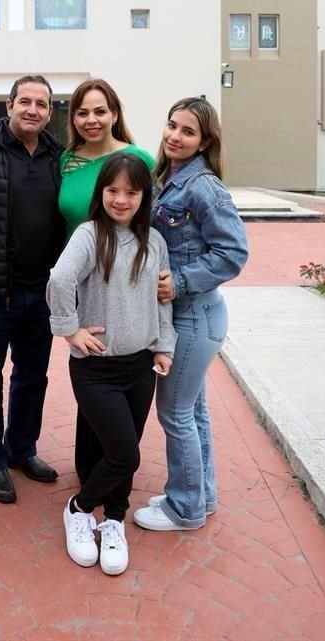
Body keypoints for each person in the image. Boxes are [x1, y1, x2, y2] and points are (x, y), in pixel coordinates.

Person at [47, 153, 176, 575]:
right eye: (112, 191)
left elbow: (162, 301)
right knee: (125, 453)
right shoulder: (89, 235)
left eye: (131, 192)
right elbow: (59, 280)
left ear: (144, 196)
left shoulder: (154, 242)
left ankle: (115, 518)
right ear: (101, 193)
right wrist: (70, 330)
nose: (120, 200)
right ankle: (80, 508)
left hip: (140, 366)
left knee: (105, 444)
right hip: (95, 365)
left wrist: (163, 345)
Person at [133, 96, 248, 532]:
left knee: (175, 414)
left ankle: (185, 509)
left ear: (204, 141)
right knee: (194, 411)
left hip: (195, 316)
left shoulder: (204, 186)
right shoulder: (169, 177)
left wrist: (178, 281)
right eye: (171, 126)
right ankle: (202, 494)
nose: (174, 136)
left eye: (187, 131)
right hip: (189, 316)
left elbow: (233, 253)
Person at [0, 75, 66, 504]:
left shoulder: (58, 157)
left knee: (32, 378)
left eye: (41, 103)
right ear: (9, 104)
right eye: (24, 101)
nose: (32, 109)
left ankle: (22, 450)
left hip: (42, 294)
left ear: (49, 111)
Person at [59, 77, 154, 239]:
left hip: (123, 261)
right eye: (83, 113)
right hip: (72, 261)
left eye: (100, 112)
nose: (91, 120)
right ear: (74, 119)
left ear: (114, 115)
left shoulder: (141, 159)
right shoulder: (66, 160)